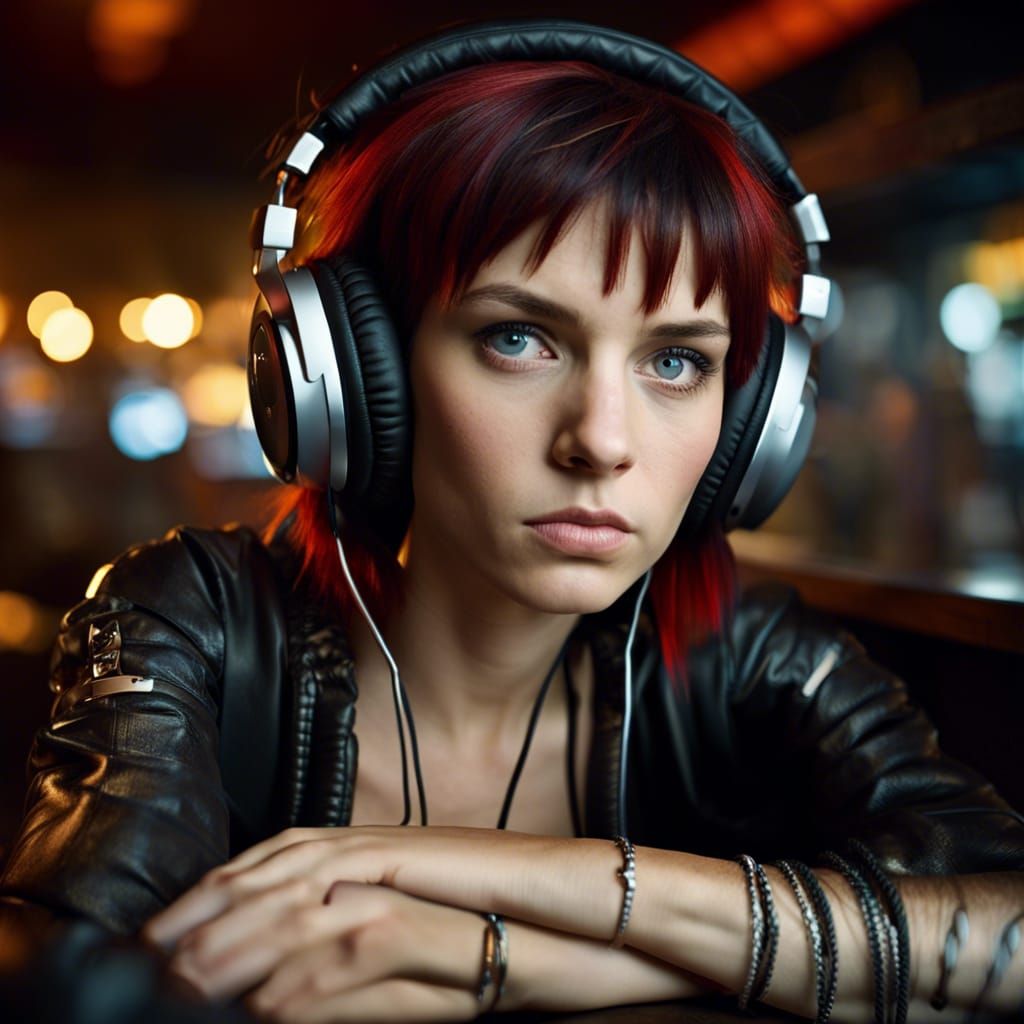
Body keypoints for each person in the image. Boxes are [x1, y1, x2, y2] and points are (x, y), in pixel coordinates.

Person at [3, 17, 1024, 1024]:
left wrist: (493, 926)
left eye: (676, 360)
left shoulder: (752, 662)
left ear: (752, 423)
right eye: (520, 338)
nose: (602, 440)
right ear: (360, 376)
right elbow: (75, 987)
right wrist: (697, 951)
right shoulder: (196, 625)